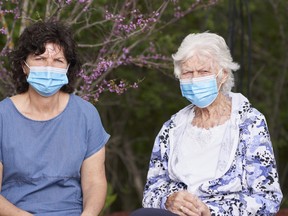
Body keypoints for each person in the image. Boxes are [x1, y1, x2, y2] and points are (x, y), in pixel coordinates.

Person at [131, 32, 283, 216]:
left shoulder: (250, 123)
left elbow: (267, 198)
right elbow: (150, 192)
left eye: (203, 72)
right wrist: (168, 200)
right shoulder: (172, 127)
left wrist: (211, 211)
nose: (195, 79)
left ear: (223, 75)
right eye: (187, 73)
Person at [0, 20, 110, 216]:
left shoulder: (86, 114)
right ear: (24, 66)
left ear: (68, 68)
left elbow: (95, 182)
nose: (49, 67)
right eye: (40, 59)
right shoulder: (2, 116)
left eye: (58, 61)